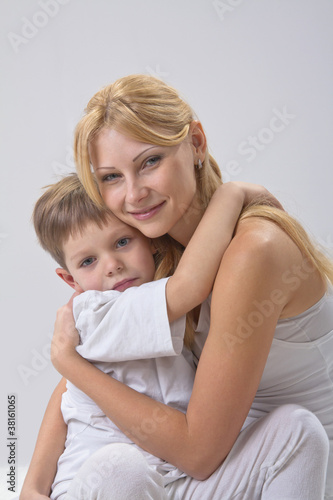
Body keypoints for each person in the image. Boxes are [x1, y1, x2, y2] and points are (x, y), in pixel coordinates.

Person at [21, 74, 332, 499]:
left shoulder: (251, 251)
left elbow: (199, 452)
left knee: (295, 427)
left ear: (197, 144)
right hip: (216, 467)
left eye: (150, 161)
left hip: (274, 472)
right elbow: (104, 368)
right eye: (111, 177)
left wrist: (234, 193)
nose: (134, 194)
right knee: (120, 471)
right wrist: (34, 485)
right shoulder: (161, 252)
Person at [30, 173, 250, 499]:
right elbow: (189, 286)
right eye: (88, 261)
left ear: (149, 240)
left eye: (122, 242)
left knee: (295, 427)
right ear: (69, 279)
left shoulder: (161, 309)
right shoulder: (89, 314)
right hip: (100, 483)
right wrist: (234, 194)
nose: (112, 265)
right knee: (124, 466)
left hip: (170, 478)